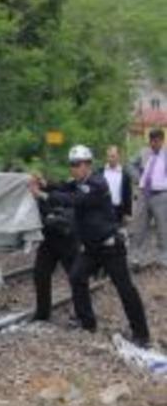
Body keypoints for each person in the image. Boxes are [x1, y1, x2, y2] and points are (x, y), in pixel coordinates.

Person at [30, 145, 151, 348]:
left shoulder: (96, 183)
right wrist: (45, 184)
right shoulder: (79, 182)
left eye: (77, 164)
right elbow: (63, 187)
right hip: (92, 248)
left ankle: (141, 334)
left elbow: (72, 200)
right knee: (77, 276)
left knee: (125, 289)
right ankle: (87, 322)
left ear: (88, 165)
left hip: (110, 247)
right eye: (71, 164)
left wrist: (42, 194)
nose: (73, 168)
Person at [30, 172, 79, 322]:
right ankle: (42, 313)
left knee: (75, 277)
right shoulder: (37, 192)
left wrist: (54, 217)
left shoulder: (70, 186)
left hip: (67, 239)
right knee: (40, 274)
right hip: (48, 240)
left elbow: (69, 201)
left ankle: (81, 313)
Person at [130, 128, 167, 265]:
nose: (154, 144)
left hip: (161, 196)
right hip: (144, 194)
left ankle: (163, 256)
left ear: (162, 141)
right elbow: (129, 165)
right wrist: (138, 177)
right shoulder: (143, 152)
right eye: (152, 141)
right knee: (140, 227)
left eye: (157, 141)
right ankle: (137, 256)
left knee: (163, 227)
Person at [98, 145, 133, 224]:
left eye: (113, 156)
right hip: (102, 209)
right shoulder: (100, 172)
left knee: (117, 230)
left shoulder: (125, 174)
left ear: (118, 156)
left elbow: (128, 194)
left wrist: (127, 213)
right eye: (108, 156)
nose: (110, 159)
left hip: (118, 210)